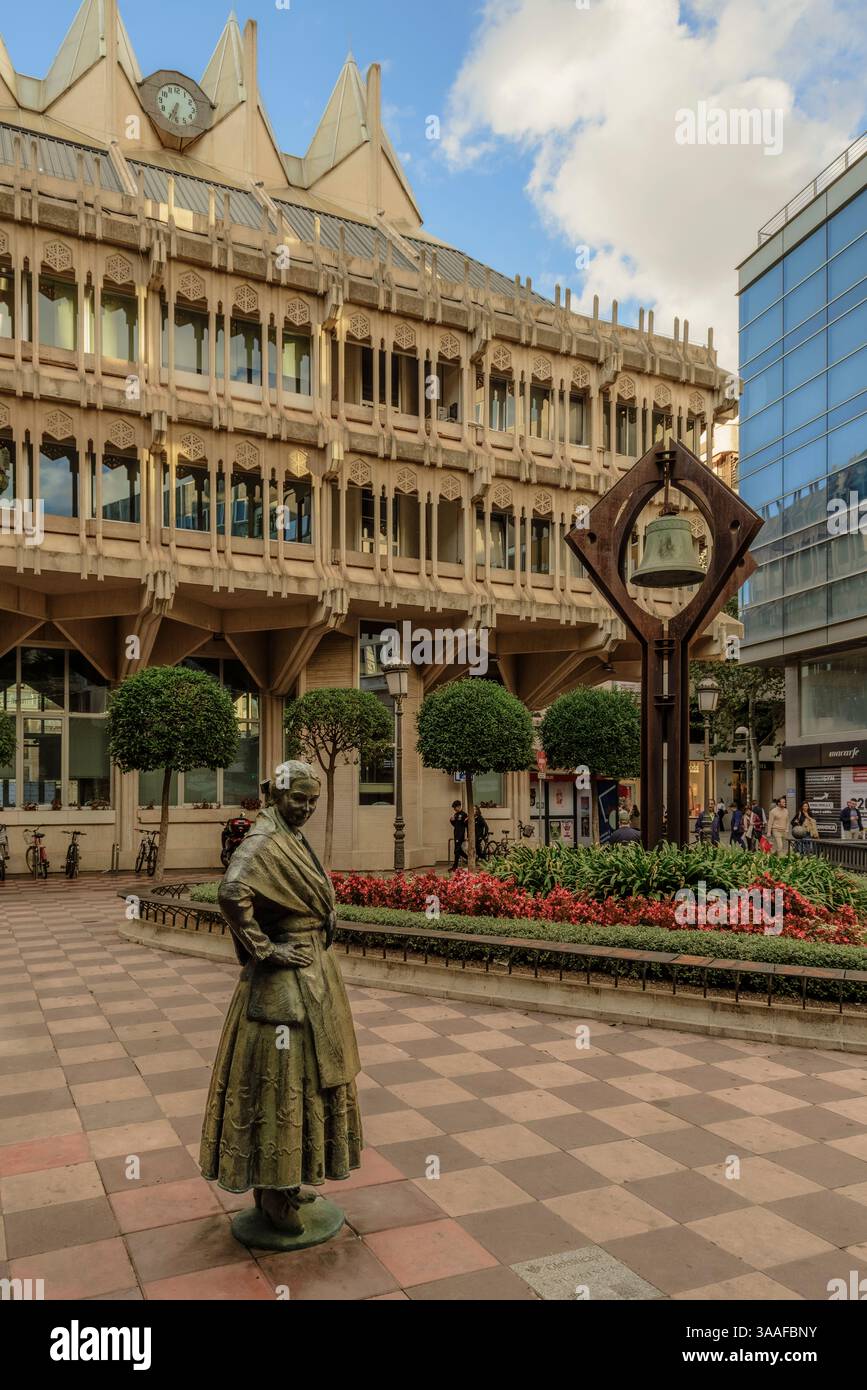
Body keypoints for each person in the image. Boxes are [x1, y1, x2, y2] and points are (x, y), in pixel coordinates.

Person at [200, 761, 362, 1237]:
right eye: (299, 799)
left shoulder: (288, 835)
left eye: (313, 800)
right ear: (274, 794)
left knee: (306, 1082)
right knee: (280, 1085)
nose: (307, 808)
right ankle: (271, 1194)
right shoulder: (264, 841)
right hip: (285, 986)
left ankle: (286, 1183)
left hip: (311, 976)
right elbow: (232, 893)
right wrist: (266, 949)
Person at [450, 800, 469, 871]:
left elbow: (466, 825)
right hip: (456, 833)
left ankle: (455, 867)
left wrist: (468, 836)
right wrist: (452, 821)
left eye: (455, 807)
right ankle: (469, 858)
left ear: (458, 806)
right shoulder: (456, 814)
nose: (454, 809)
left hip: (460, 834)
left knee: (456, 851)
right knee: (458, 850)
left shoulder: (464, 814)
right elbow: (455, 825)